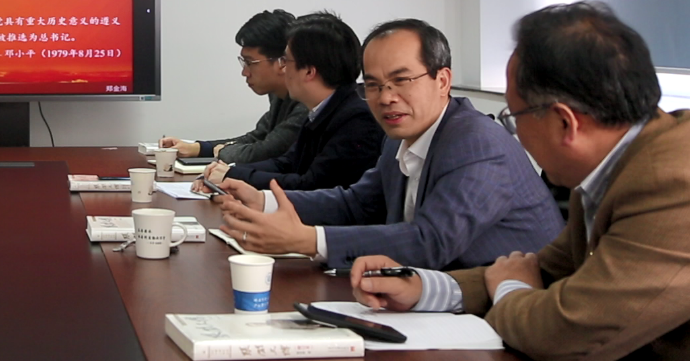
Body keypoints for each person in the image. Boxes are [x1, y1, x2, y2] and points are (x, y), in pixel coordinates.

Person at [350, 3, 690, 360]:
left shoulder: (671, 183)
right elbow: (546, 269)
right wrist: (422, 288)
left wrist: (511, 289)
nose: (514, 134)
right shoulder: (612, 165)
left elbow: (565, 335)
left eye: (513, 117)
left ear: (565, 123)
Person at [213, 19, 563, 269]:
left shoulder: (476, 143)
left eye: (401, 80)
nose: (386, 97)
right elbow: (355, 204)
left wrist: (308, 241)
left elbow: (430, 241)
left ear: (442, 81)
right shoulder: (400, 139)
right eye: (374, 85)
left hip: (507, 311)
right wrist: (264, 200)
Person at [214, 12, 384, 191]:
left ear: (309, 72)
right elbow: (287, 162)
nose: (283, 69)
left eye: (285, 61)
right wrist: (231, 171)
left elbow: (311, 184)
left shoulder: (357, 119)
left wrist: (233, 175)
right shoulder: (321, 109)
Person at [160, 9, 307, 163]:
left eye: (250, 63)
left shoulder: (306, 103)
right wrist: (198, 148)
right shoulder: (279, 95)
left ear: (282, 62)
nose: (245, 72)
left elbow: (265, 151)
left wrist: (222, 151)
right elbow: (256, 138)